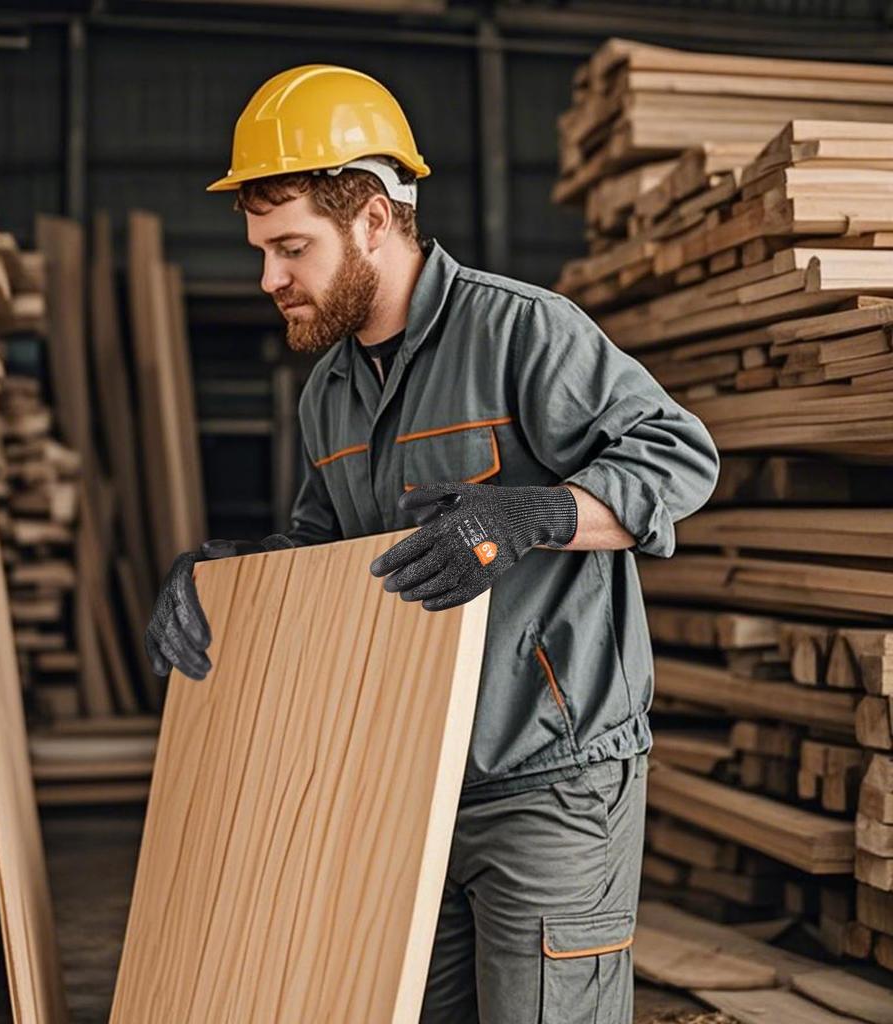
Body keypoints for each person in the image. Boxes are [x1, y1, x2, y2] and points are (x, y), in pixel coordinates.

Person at [144, 64, 720, 1024]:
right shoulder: (328, 390)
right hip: (407, 776)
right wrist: (221, 572)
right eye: (260, 250)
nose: (268, 279)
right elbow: (323, 549)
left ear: (372, 219)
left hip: (549, 775)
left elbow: (681, 459)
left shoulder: (522, 331)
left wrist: (531, 514)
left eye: (291, 248)